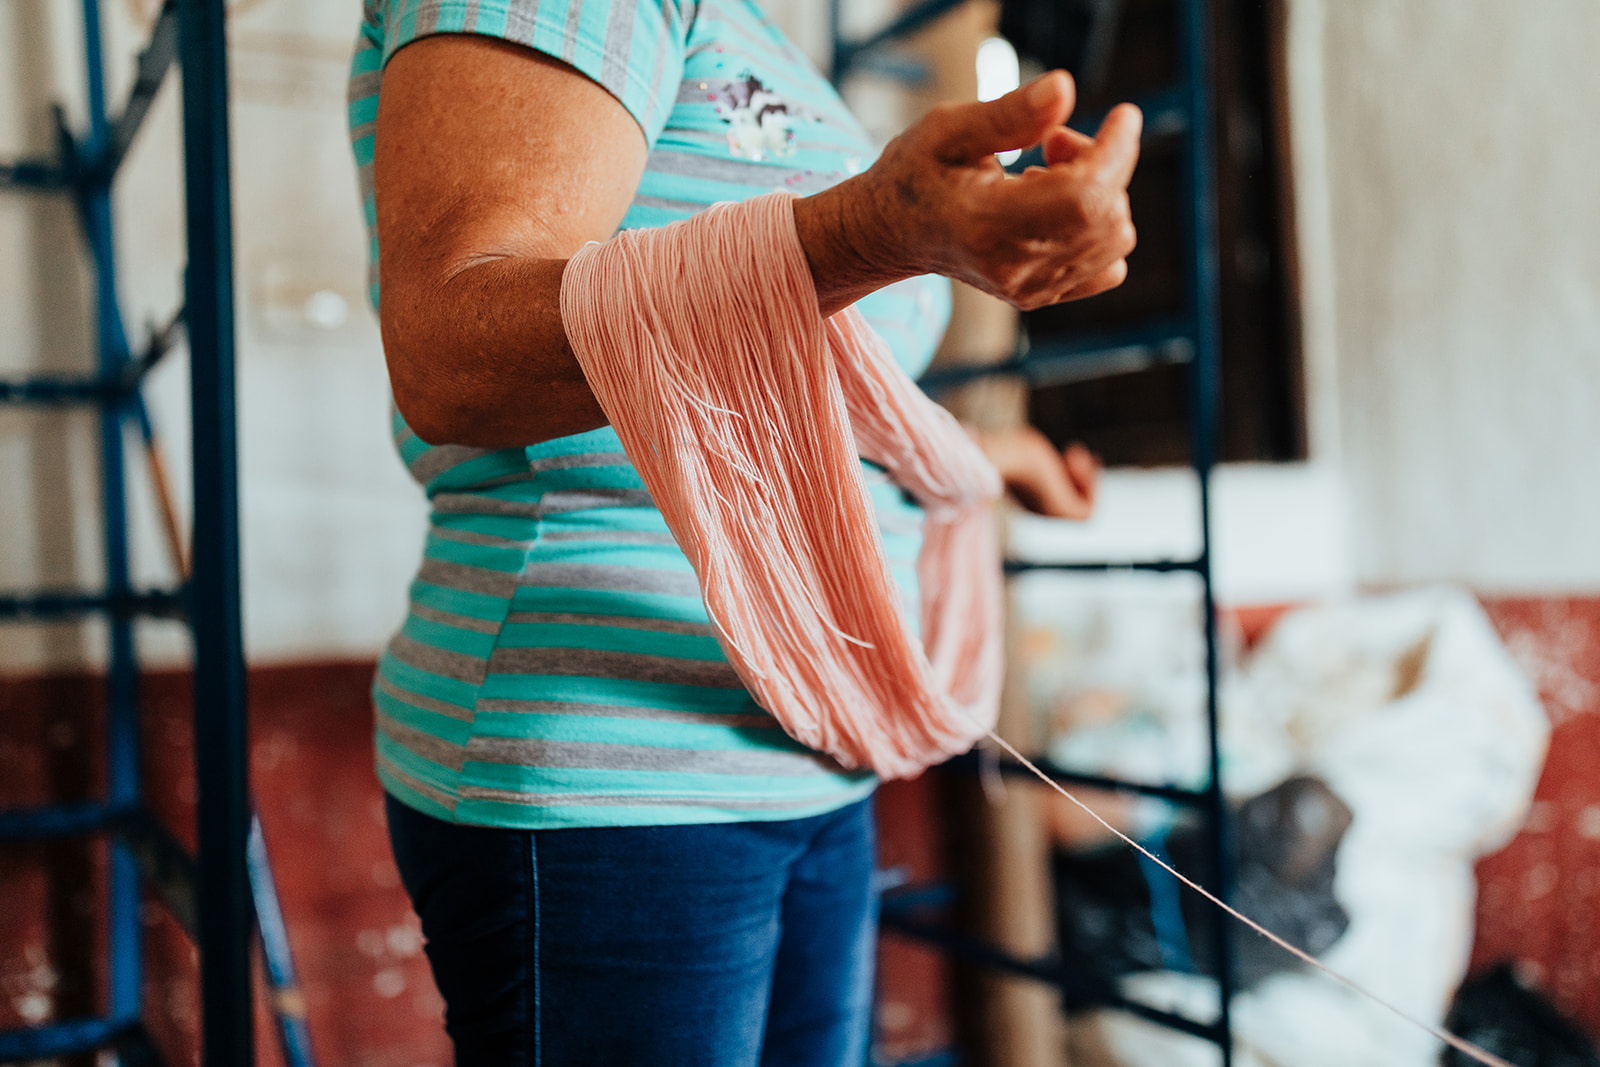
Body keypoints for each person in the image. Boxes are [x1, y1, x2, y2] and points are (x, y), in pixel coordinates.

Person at [347, 0, 1138, 1062]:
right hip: (621, 761)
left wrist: (983, 455)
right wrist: (870, 230)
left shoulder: (754, 33)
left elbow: (778, 391)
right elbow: (454, 354)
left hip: (805, 744)